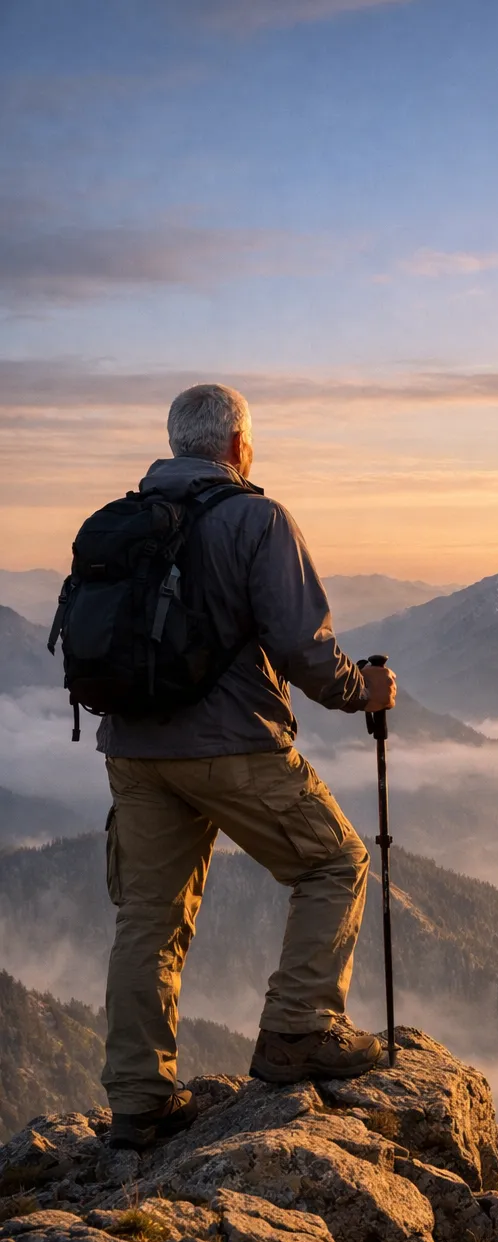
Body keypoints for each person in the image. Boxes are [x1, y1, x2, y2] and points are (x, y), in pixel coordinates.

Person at [99, 382, 396, 1150]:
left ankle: (138, 1103)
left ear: (176, 445)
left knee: (148, 922)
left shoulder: (122, 522)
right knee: (335, 863)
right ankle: (299, 1027)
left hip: (133, 749)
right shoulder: (257, 519)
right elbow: (304, 646)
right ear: (237, 447)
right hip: (232, 743)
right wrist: (364, 691)